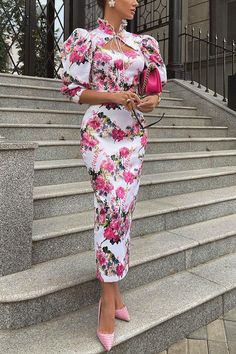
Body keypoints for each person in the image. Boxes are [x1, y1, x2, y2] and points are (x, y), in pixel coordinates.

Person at [59, 0, 167, 350]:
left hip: (133, 138)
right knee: (110, 210)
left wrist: (150, 101)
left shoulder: (143, 44)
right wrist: (115, 97)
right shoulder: (86, 40)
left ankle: (116, 295)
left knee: (123, 214)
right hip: (100, 134)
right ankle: (108, 302)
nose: (136, 1)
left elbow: (154, 90)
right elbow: (74, 92)